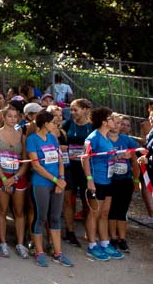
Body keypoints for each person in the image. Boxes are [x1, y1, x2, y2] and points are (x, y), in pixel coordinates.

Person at [26, 110, 73, 267]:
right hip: (41, 183)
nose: (56, 124)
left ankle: (58, 253)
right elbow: (36, 166)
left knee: (55, 217)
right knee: (41, 217)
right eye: (53, 122)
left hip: (57, 183)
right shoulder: (32, 139)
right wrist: (55, 180)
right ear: (45, 124)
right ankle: (39, 252)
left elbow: (60, 159)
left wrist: (61, 179)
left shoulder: (53, 138)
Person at [82, 106, 123, 261]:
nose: (115, 121)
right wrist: (89, 180)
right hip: (97, 180)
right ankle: (92, 245)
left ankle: (105, 243)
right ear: (105, 122)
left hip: (108, 179)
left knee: (105, 213)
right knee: (95, 213)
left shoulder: (106, 137)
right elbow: (84, 158)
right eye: (112, 118)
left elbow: (108, 157)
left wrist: (120, 156)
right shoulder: (93, 137)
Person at [0, 104, 29, 259]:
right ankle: (2, 242)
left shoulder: (22, 136)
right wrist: (5, 179)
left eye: (15, 116)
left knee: (19, 212)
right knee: (2, 210)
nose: (13, 119)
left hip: (18, 176)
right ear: (3, 118)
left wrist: (16, 177)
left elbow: (25, 161)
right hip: (1, 177)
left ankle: (20, 244)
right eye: (9, 116)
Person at [62, 98, 93, 246]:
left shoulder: (93, 127)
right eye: (71, 110)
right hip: (69, 167)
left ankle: (89, 230)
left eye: (76, 110)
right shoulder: (68, 124)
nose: (73, 113)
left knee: (87, 200)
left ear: (86, 109)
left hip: (86, 168)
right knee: (68, 200)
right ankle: (70, 231)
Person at [107, 114, 138, 252]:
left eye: (120, 123)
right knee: (111, 210)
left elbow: (135, 162)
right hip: (108, 180)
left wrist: (136, 180)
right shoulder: (103, 139)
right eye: (115, 122)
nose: (117, 125)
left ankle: (122, 238)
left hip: (125, 180)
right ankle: (112, 238)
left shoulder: (127, 140)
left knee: (122, 210)